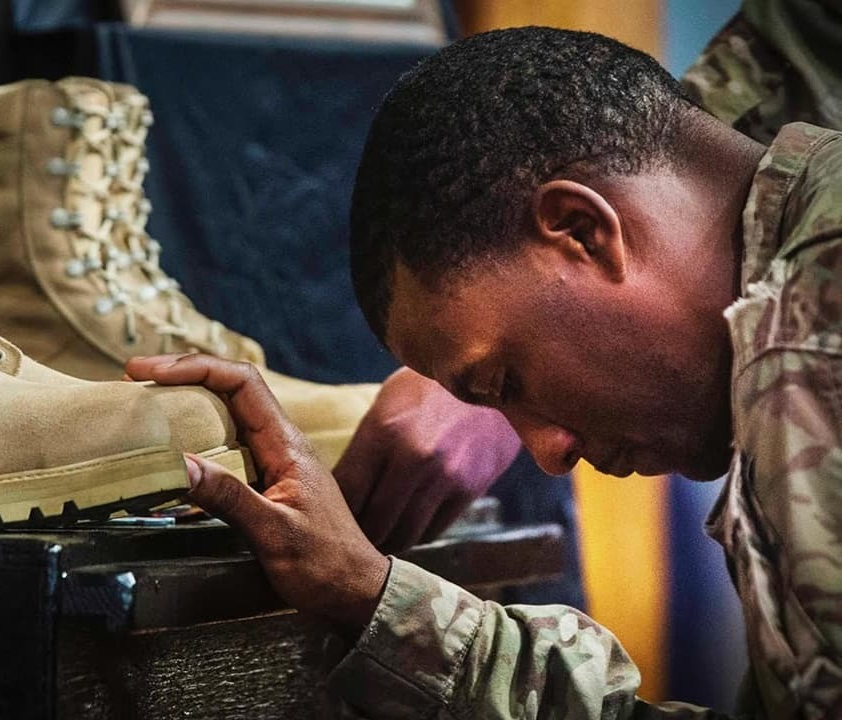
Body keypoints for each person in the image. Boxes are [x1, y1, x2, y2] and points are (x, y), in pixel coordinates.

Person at [125, 23, 842, 718]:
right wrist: (367, 594)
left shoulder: (810, 338)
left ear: (583, 232)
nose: (549, 454)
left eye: (504, 382)